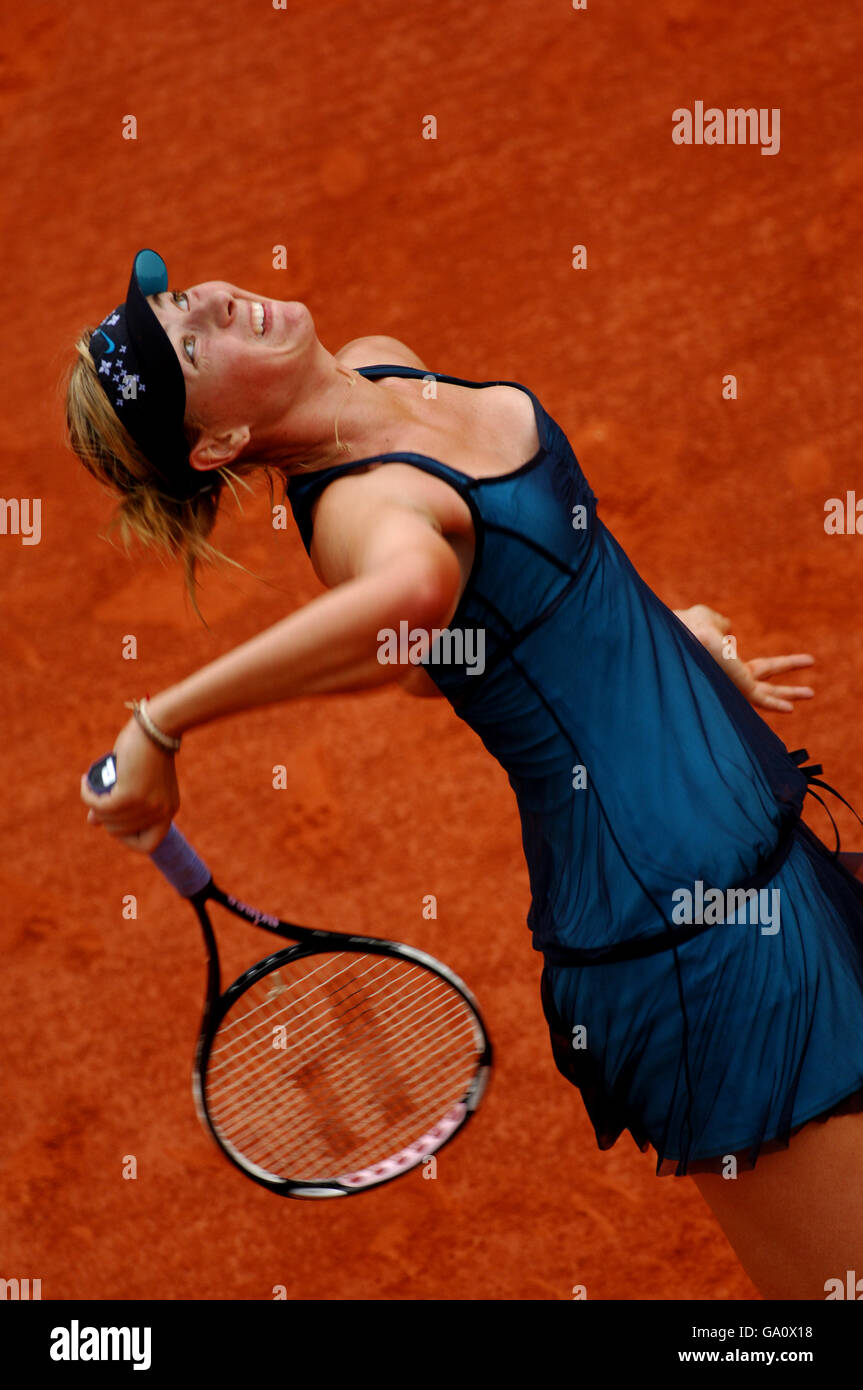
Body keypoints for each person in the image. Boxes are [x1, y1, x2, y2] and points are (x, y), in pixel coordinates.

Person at [71, 249, 863, 1300]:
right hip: (693, 939)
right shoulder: (367, 514)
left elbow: (453, 644)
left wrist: (651, 644)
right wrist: (160, 723)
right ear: (216, 442)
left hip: (759, 855)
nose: (211, 301)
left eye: (179, 299)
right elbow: (409, 602)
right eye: (188, 342)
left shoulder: (384, 369)